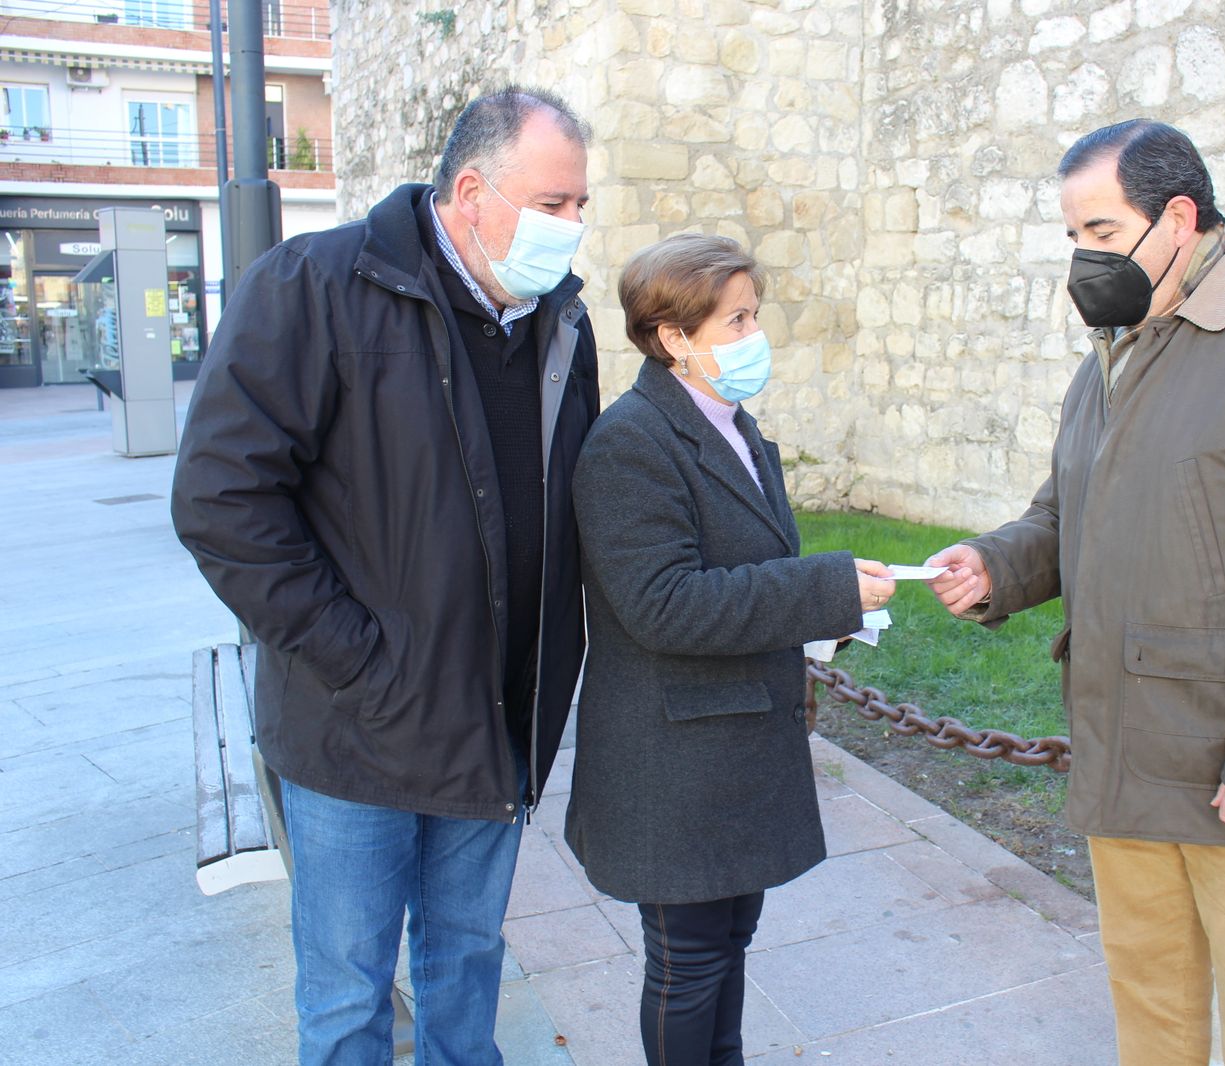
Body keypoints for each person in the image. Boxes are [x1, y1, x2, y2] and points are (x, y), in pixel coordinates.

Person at [926, 119, 1225, 1065]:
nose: (1083, 256)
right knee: (1153, 1023)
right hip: (1124, 760)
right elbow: (1064, 516)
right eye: (1073, 235)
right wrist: (995, 565)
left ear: (1179, 218)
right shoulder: (1110, 355)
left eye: (1102, 231)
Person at [171, 86, 598, 1064]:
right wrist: (359, 662)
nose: (572, 226)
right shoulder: (313, 285)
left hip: (495, 722)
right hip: (354, 731)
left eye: (581, 204)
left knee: (467, 969)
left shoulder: (559, 325)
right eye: (554, 203)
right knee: (348, 995)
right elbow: (221, 500)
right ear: (472, 191)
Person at [564, 232, 896, 1066]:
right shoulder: (631, 442)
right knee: (689, 961)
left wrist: (829, 613)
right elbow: (663, 605)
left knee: (726, 943)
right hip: (673, 761)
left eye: (754, 315)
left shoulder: (729, 425)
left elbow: (742, 574)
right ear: (672, 337)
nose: (756, 336)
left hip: (730, 748)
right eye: (736, 320)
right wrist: (822, 589)